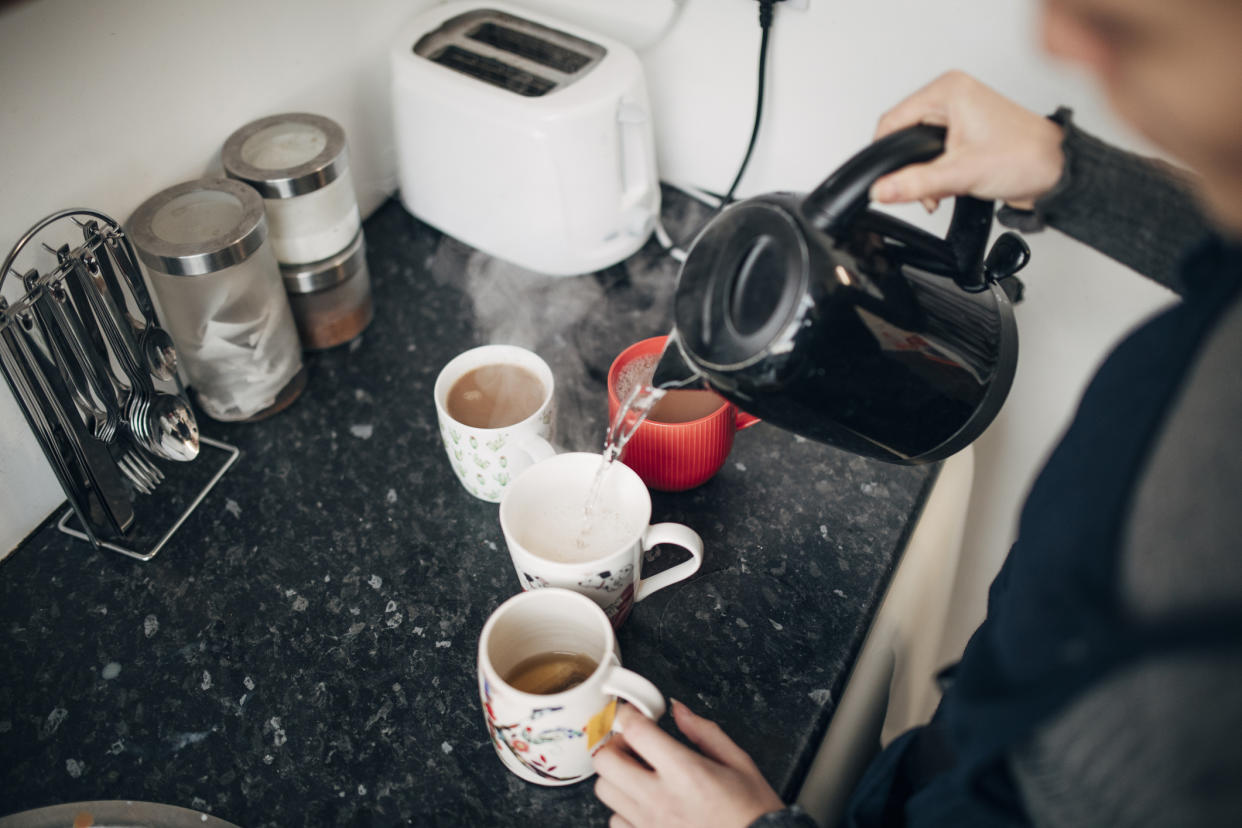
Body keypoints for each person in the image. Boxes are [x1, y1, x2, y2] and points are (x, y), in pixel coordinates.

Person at [593, 0, 1242, 825]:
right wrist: (1066, 170)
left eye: (1120, 17)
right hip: (953, 747)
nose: (1056, 39)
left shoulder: (1211, 583)